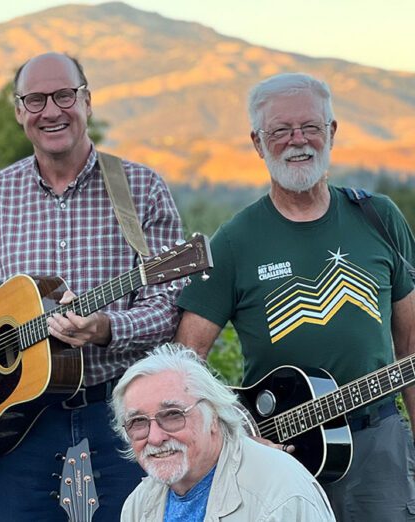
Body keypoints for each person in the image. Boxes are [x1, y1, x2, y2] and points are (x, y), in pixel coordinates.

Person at [0, 52, 184, 521]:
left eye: (64, 96)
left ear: (87, 101)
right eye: (35, 100)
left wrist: (107, 327)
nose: (50, 111)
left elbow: (169, 305)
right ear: (18, 111)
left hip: (122, 417)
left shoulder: (140, 188)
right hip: (19, 426)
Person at [175, 72, 415, 520]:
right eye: (280, 130)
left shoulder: (379, 217)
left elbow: (411, 348)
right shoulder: (234, 240)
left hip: (376, 445)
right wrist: (237, 435)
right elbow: (185, 360)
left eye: (310, 127)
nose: (297, 140)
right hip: (275, 454)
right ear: (257, 142)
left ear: (332, 132)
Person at [111, 343, 335, 521]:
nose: (155, 438)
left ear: (213, 417)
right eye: (138, 422)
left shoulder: (278, 493)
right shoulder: (139, 504)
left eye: (173, 415)